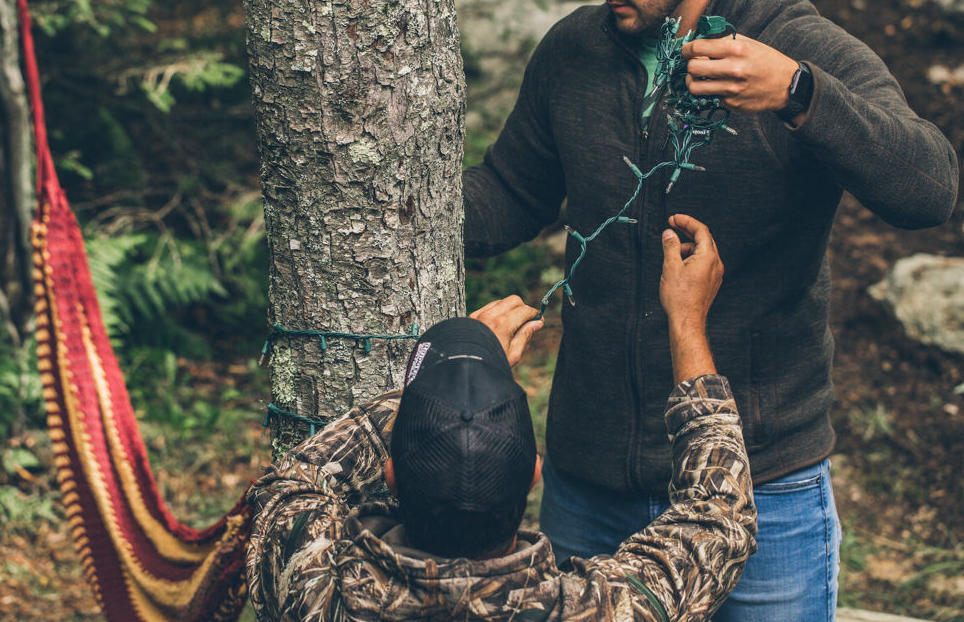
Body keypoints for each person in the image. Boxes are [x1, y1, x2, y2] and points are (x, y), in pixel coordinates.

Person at [461, 0, 958, 622]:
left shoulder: (796, 48)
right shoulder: (574, 54)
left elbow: (930, 187)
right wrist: (388, 206)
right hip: (588, 493)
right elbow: (511, 194)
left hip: (762, 494)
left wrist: (801, 95)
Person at [247, 215, 754, 622]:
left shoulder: (316, 592)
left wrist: (436, 394)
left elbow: (288, 486)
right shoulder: (603, 609)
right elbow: (719, 513)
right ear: (534, 476)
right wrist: (686, 320)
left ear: (392, 476)